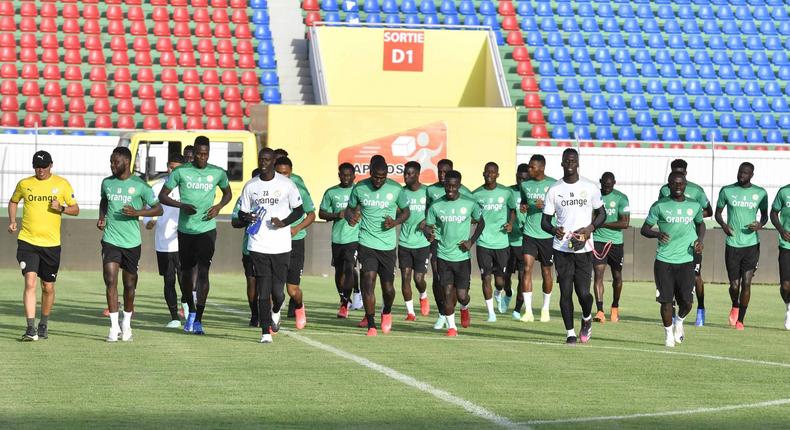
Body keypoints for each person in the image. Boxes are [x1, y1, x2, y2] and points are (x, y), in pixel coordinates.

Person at [158, 136, 232, 335]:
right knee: (186, 274)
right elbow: (162, 196)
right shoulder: (182, 172)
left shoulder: (217, 172)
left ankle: (198, 318)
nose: (202, 157)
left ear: (209, 153)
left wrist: (218, 207)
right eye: (199, 153)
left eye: (205, 154)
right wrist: (181, 205)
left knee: (204, 271)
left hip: (207, 229)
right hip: (185, 231)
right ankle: (190, 309)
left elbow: (228, 193)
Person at [8, 150, 79, 341]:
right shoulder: (25, 184)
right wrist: (13, 220)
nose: (40, 170)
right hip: (28, 241)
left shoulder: (61, 184)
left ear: (51, 165)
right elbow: (14, 201)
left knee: (47, 287)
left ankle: (43, 324)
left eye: (44, 166)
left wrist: (61, 208)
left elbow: (76, 209)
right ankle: (30, 328)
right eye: (37, 167)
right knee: (30, 282)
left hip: (51, 244)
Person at [237, 148, 304, 343]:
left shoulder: (287, 184)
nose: (264, 163)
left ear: (273, 161)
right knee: (263, 290)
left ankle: (276, 311)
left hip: (282, 245)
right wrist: (247, 217)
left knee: (278, 292)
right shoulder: (250, 186)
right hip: (258, 245)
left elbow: (299, 210)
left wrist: (284, 222)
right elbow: (242, 213)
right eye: (261, 159)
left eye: (267, 159)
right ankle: (266, 332)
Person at [541, 148, 605, 344]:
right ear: (561, 163)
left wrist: (589, 230)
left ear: (578, 163)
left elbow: (602, 214)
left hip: (583, 249)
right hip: (562, 249)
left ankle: (586, 318)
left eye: (573, 161)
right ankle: (570, 332)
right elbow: (544, 222)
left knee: (584, 294)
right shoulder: (554, 190)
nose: (569, 164)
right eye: (566, 161)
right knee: (566, 291)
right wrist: (554, 230)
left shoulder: (591, 187)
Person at [98, 147, 163, 342]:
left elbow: (158, 209)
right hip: (111, 240)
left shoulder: (140, 185)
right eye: (111, 162)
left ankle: (126, 323)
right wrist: (102, 217)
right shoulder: (107, 183)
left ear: (126, 162)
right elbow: (104, 201)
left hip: (132, 243)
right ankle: (113, 328)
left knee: (129, 285)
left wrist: (137, 213)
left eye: (115, 162)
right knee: (110, 280)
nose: (112, 166)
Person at [345, 157, 410, 336]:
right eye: (376, 176)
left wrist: (395, 222)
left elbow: (406, 211)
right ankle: (371, 323)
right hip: (366, 243)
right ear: (370, 172)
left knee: (388, 289)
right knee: (368, 281)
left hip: (388, 246)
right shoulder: (359, 188)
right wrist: (350, 217)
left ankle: (387, 311)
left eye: (382, 177)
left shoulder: (396, 189)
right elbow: (349, 209)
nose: (379, 180)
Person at [641, 172, 706, 347]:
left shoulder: (694, 205)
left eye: (681, 183)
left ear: (685, 184)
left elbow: (701, 224)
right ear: (668, 185)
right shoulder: (659, 206)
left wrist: (700, 241)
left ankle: (679, 321)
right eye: (674, 184)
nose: (678, 186)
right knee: (666, 301)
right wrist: (657, 233)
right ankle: (668, 334)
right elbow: (644, 229)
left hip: (686, 260)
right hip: (664, 260)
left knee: (687, 302)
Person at [424, 170, 484, 336]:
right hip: (443, 256)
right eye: (447, 186)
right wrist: (428, 234)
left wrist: (471, 241)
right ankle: (452, 328)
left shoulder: (469, 203)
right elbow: (427, 226)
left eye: (454, 186)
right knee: (448, 293)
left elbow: (481, 223)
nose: (450, 189)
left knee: (462, 295)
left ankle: (464, 307)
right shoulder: (436, 206)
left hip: (462, 258)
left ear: (459, 185)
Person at [658, 159, 713, 326]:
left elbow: (708, 211)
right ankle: (673, 316)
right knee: (671, 283)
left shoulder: (696, 191)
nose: (678, 175)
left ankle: (700, 309)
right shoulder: (664, 190)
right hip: (670, 245)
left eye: (681, 172)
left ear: (686, 174)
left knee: (696, 276)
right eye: (675, 171)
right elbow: (662, 210)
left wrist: (688, 216)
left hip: (691, 245)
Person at [715, 162, 768, 330]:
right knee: (734, 286)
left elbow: (765, 216)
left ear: (752, 174)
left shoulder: (760, 193)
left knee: (746, 283)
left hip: (751, 244)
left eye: (745, 173)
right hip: (732, 244)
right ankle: (735, 305)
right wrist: (724, 225)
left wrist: (760, 224)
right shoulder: (727, 191)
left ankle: (741, 321)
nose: (741, 175)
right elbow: (717, 213)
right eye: (740, 172)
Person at [143, 153, 186, 328]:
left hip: (183, 241)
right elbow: (148, 211)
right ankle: (174, 316)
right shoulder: (157, 187)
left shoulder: (187, 187)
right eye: (170, 166)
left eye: (176, 168)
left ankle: (188, 310)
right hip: (163, 243)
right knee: (169, 280)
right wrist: (149, 222)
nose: (172, 170)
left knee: (185, 279)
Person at [472, 162, 516, 323]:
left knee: (500, 281)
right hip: (483, 243)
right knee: (486, 278)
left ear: (497, 175)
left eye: (493, 172)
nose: (489, 175)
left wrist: (510, 224)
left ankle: (499, 293)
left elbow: (512, 210)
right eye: (487, 172)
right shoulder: (475, 194)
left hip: (501, 243)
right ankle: (491, 313)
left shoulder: (506, 192)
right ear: (483, 174)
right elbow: (472, 213)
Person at [274, 156, 315, 330]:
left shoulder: (299, 190)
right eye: (279, 173)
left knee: (292, 290)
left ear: (291, 173)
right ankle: (273, 318)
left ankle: (299, 307)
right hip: (273, 243)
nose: (283, 177)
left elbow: (312, 214)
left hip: (295, 242)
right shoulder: (266, 189)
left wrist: (296, 228)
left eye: (286, 173)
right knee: (273, 287)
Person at [319, 163, 361, 318]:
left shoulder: (359, 191)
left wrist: (358, 214)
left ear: (354, 176)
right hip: (338, 238)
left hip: (355, 238)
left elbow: (367, 208)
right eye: (343, 175)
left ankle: (344, 305)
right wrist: (337, 215)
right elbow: (322, 213)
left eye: (349, 175)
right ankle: (344, 298)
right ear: (339, 175)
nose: (346, 178)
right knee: (339, 271)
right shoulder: (331, 192)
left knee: (349, 267)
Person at [519, 154, 556, 323]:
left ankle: (545, 308)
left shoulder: (554, 185)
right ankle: (528, 311)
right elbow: (525, 202)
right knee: (526, 268)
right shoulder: (525, 185)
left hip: (548, 234)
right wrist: (524, 206)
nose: (529, 169)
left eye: (532, 167)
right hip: (530, 233)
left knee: (546, 271)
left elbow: (562, 209)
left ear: (541, 168)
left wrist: (548, 207)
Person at [592, 172, 630, 323]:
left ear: (614, 183)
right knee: (598, 275)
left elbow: (625, 223)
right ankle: (600, 311)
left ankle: (615, 307)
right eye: (604, 185)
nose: (607, 188)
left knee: (617, 277)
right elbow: (591, 217)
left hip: (615, 243)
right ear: (600, 182)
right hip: (598, 241)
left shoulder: (621, 198)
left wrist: (602, 223)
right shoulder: (595, 196)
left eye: (609, 186)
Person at [398, 161, 431, 321]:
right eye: (405, 173)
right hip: (404, 242)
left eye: (410, 173)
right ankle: (410, 313)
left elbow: (436, 211)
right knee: (405, 277)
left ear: (418, 174)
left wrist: (427, 222)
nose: (406, 176)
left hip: (422, 243)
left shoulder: (427, 192)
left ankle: (423, 295)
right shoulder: (401, 192)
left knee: (419, 279)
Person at [231, 168, 262, 327]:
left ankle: (269, 313)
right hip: (250, 247)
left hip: (272, 247)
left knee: (269, 283)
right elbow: (235, 221)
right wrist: (246, 219)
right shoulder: (244, 199)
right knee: (252, 282)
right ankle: (255, 315)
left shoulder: (274, 197)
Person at [507, 164, 529, 319]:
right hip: (507, 240)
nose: (521, 181)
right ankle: (507, 292)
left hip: (524, 241)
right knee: (503, 278)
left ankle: (517, 309)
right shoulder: (509, 192)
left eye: (524, 178)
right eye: (519, 178)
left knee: (523, 276)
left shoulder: (533, 193)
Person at [770, 183, 790, 330]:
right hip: (786, 245)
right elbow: (773, 213)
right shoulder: (784, 192)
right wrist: (782, 230)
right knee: (785, 285)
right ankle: (789, 306)